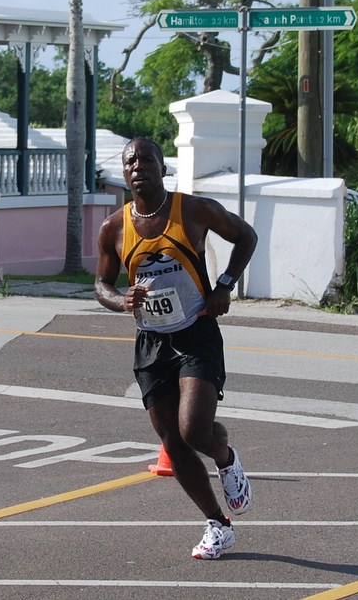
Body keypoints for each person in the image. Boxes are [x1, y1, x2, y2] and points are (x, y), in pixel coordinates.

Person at [94, 137, 258, 560]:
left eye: (147, 160)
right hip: (152, 341)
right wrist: (122, 300)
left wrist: (224, 286)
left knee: (194, 429)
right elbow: (101, 284)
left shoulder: (194, 210)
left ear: (163, 168)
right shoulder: (114, 228)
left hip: (196, 331)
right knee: (172, 439)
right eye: (131, 162)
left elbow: (246, 236)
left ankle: (226, 457)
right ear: (124, 173)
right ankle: (218, 524)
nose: (138, 167)